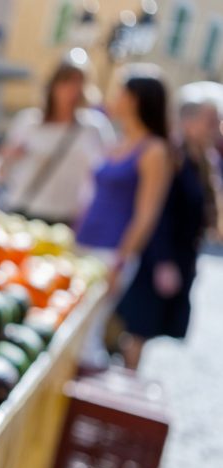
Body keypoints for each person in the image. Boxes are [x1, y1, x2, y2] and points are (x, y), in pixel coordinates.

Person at [75, 66, 173, 370]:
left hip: (111, 250)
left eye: (120, 92)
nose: (114, 98)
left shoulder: (154, 150)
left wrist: (121, 259)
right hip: (83, 242)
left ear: (134, 99)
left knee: (88, 333)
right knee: (71, 325)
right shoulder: (117, 142)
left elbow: (147, 214)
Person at [117, 100, 222, 368]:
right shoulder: (174, 157)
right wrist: (163, 260)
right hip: (160, 256)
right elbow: (160, 211)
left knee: (148, 327)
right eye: (209, 121)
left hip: (182, 255)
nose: (215, 127)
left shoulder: (203, 160)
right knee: (138, 326)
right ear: (189, 120)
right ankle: (124, 381)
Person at [0, 56, 115, 225]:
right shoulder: (29, 121)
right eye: (67, 82)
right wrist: (7, 157)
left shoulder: (94, 128)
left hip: (67, 220)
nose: (73, 90)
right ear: (53, 85)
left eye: (79, 83)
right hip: (21, 212)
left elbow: (105, 177)